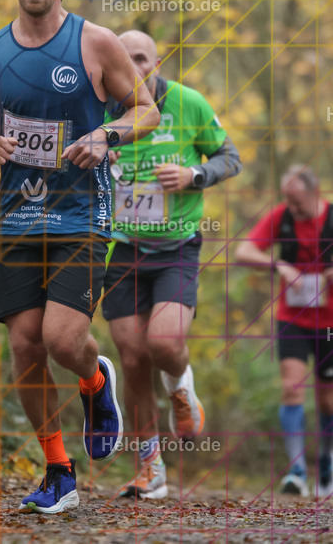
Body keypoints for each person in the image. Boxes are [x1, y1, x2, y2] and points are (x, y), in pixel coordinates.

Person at [0, 0, 160, 514]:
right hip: (15, 219)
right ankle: (58, 470)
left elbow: (146, 109)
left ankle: (94, 379)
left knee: (61, 340)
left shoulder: (94, 43)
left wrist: (103, 134)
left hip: (81, 215)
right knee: (24, 348)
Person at [102, 30, 242, 500]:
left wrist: (193, 175)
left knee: (163, 342)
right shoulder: (103, 108)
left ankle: (182, 387)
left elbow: (230, 157)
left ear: (157, 62)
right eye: (126, 58)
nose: (135, 67)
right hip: (123, 248)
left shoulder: (188, 104)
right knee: (132, 357)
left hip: (177, 247)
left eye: (142, 58)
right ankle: (150, 468)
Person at [235, 165, 333, 498]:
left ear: (315, 192)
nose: (293, 207)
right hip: (292, 318)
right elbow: (244, 251)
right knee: (291, 387)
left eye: (297, 200)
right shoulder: (281, 218)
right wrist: (278, 265)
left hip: (332, 320)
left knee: (326, 394)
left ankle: (328, 458)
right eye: (287, 199)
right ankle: (297, 470)